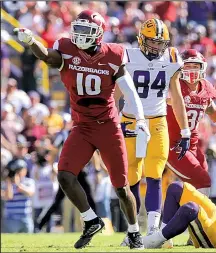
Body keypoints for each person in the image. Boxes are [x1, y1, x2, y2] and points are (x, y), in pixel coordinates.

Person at [14, 10, 149, 249]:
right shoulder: (67, 49)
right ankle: (90, 220)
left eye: (86, 30)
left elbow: (129, 90)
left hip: (108, 126)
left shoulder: (113, 54)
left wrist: (140, 119)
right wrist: (33, 41)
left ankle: (134, 231)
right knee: (65, 175)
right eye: (78, 28)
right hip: (82, 127)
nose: (79, 35)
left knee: (121, 187)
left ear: (98, 34)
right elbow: (47, 57)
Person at [120, 18, 190, 236]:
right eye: (153, 42)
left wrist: (185, 130)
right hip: (130, 119)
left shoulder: (171, 57)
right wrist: (113, 124)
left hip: (157, 119)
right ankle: (132, 230)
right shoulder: (128, 56)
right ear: (141, 38)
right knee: (131, 174)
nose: (157, 47)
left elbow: (176, 97)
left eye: (161, 43)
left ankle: (152, 229)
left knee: (155, 172)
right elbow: (114, 96)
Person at [166, 49, 216, 196]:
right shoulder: (173, 86)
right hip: (172, 144)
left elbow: (212, 111)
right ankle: (196, 218)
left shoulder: (205, 87)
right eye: (188, 66)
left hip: (192, 145)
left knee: (199, 185)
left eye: (195, 66)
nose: (192, 70)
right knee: (203, 181)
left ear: (202, 67)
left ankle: (184, 217)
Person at [1, 159, 35, 233]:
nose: (17, 173)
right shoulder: (6, 184)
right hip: (11, 218)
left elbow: (30, 193)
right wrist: (9, 182)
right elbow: (9, 196)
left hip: (25, 217)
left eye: (19, 170)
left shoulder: (29, 182)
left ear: (25, 170)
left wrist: (18, 184)